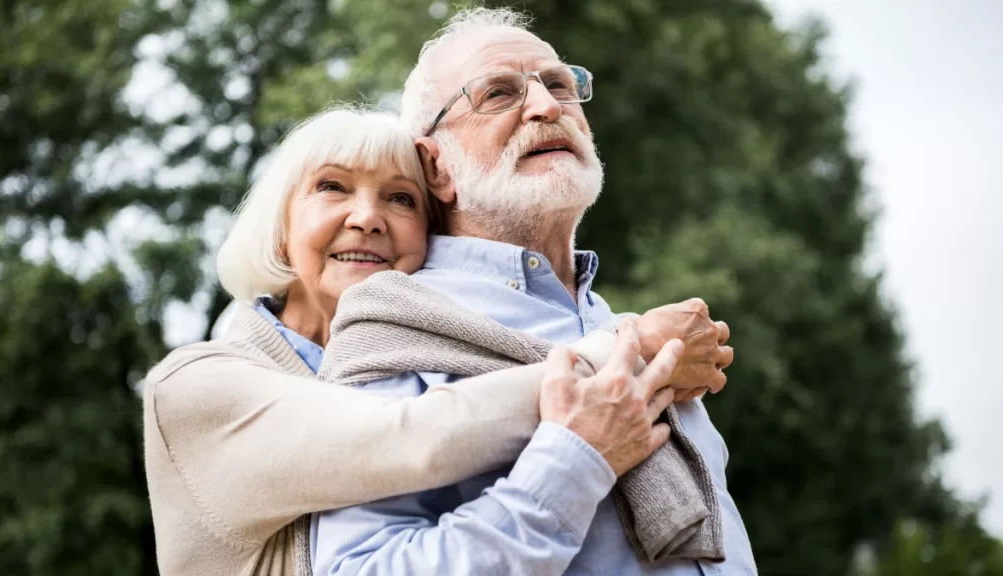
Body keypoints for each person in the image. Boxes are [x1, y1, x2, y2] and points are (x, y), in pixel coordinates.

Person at [143, 106, 692, 576]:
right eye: (331, 187)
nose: (368, 218)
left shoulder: (431, 365)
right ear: (279, 226)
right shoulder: (196, 387)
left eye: (402, 199)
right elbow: (407, 436)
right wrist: (626, 353)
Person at [309, 8, 757, 576]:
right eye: (498, 93)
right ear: (435, 166)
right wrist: (574, 463)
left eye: (561, 85)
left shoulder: (630, 331)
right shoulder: (395, 329)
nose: (547, 107)